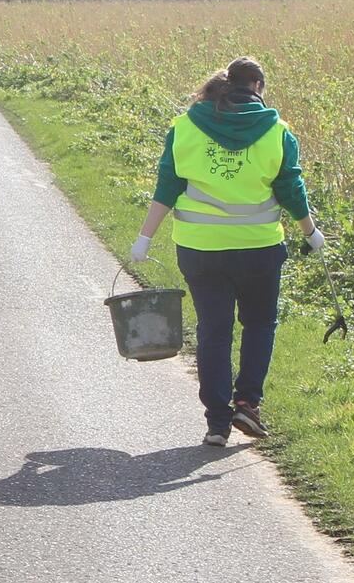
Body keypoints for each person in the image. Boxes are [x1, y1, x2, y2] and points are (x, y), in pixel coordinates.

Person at [130, 56, 324, 447]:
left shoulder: (185, 127)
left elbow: (167, 186)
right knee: (259, 323)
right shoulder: (278, 132)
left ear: (225, 83)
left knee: (214, 331)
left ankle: (217, 423)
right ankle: (247, 404)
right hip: (258, 249)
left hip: (201, 250)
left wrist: (145, 238)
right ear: (258, 87)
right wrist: (311, 232)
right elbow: (291, 189)